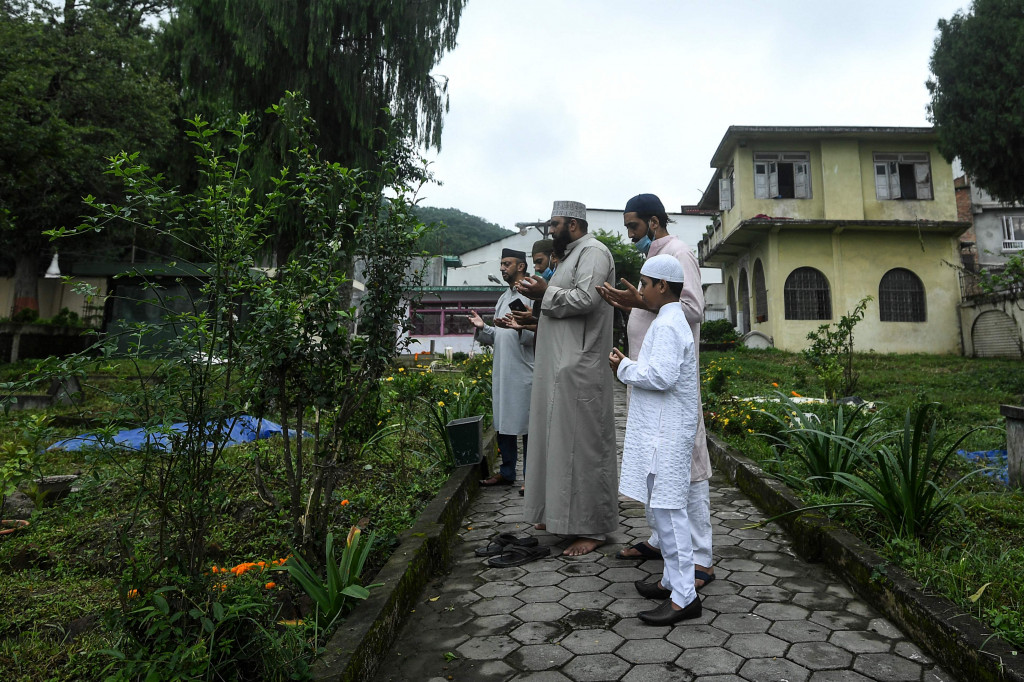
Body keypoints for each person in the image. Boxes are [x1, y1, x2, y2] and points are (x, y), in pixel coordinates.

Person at [596, 193, 715, 589]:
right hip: (649, 381)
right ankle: (661, 541)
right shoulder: (656, 256)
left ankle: (700, 558)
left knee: (688, 465)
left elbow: (693, 309)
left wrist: (640, 302)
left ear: (654, 221)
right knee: (655, 464)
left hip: (672, 388)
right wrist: (631, 303)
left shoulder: (679, 253)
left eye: (633, 226)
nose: (630, 234)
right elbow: (654, 305)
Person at [516, 200, 618, 556]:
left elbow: (586, 299)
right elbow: (560, 302)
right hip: (560, 366)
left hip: (581, 365)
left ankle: (593, 528)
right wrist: (536, 304)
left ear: (573, 224)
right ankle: (558, 516)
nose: (550, 230)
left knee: (583, 448)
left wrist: (545, 292)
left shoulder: (594, 252)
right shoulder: (571, 255)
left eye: (554, 224)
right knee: (557, 445)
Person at [609, 253, 702, 625]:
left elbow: (661, 377)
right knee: (663, 514)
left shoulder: (667, 324)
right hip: (663, 432)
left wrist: (623, 367)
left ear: (662, 286)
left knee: (670, 516)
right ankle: (670, 583)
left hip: (666, 435)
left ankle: (685, 598)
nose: (641, 291)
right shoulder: (669, 319)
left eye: (644, 284)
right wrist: (629, 366)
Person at [469, 248, 535, 487]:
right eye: (502, 264)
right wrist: (483, 327)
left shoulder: (531, 296)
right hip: (503, 372)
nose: (502, 268)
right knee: (503, 422)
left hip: (525, 370)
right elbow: (498, 335)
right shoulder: (503, 297)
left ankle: (531, 478)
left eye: (507, 264)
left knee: (528, 426)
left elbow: (537, 334)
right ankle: (507, 472)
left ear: (521, 266)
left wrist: (521, 327)